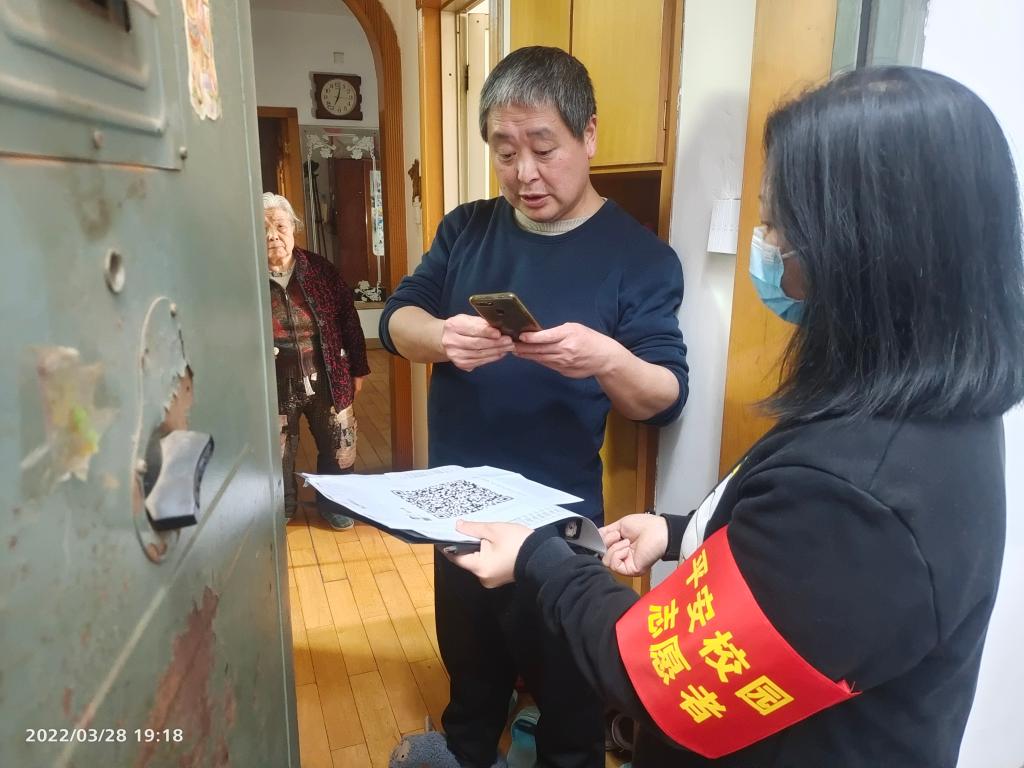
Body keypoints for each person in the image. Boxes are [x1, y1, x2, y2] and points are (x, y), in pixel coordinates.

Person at [450, 66, 1024, 767]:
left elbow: (658, 677)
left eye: (779, 223)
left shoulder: (861, 494)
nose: (766, 242)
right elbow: (784, 572)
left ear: (862, 250)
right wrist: (678, 530)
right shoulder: (919, 407)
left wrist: (539, 558)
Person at [381, 47, 689, 768]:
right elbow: (398, 319)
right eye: (505, 151)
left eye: (543, 149)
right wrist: (442, 337)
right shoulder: (467, 228)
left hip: (558, 521)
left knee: (570, 698)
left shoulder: (640, 258)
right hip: (457, 503)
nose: (524, 173)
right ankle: (466, 753)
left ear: (589, 134)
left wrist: (606, 358)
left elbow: (664, 397)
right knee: (470, 676)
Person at [263, 192, 370, 530]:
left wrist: (358, 366)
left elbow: (348, 318)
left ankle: (335, 503)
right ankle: (282, 504)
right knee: (278, 449)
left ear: (294, 228)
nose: (272, 236)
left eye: (280, 226)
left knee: (339, 441)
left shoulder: (320, 270)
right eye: (263, 229)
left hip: (327, 372)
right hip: (273, 378)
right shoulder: (241, 276)